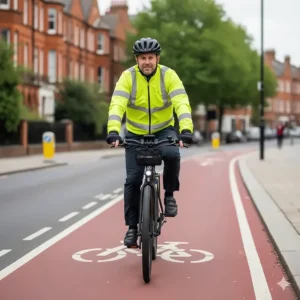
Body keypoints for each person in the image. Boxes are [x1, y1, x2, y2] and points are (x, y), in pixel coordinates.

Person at [105, 37, 194, 247]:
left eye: (150, 58)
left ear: (157, 58)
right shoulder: (128, 77)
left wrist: (186, 129)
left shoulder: (168, 75)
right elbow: (117, 104)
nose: (147, 62)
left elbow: (181, 102)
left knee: (172, 155)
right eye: (143, 58)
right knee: (133, 181)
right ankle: (132, 228)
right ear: (137, 59)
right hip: (135, 134)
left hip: (164, 131)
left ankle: (170, 195)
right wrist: (113, 131)